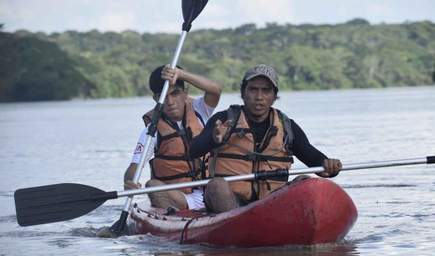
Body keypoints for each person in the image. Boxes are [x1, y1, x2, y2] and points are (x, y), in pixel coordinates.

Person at [189, 64, 342, 213]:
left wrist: (329, 165)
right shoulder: (224, 119)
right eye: (253, 90)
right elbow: (193, 150)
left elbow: (313, 158)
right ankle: (242, 227)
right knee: (216, 185)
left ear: (274, 96)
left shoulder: (286, 126)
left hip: (272, 201)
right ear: (243, 93)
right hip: (233, 200)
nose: (259, 97)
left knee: (305, 180)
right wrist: (214, 139)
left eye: (266, 91)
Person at [124, 64, 222, 210]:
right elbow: (134, 167)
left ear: (185, 93)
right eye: (164, 96)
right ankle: (172, 219)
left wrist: (180, 74)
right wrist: (129, 182)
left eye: (175, 93)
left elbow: (216, 90)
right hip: (178, 197)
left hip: (208, 191)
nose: (170, 102)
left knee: (221, 184)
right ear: (156, 99)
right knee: (152, 185)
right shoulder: (152, 131)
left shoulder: (200, 110)